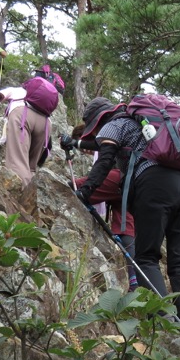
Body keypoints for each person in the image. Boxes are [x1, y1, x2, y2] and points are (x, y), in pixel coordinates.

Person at [63, 96, 180, 336]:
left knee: (146, 257)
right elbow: (103, 146)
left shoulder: (114, 124)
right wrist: (76, 143)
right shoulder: (143, 125)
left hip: (154, 185)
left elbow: (105, 160)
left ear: (99, 120)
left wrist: (85, 191)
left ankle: (164, 322)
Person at [63, 121, 138, 292]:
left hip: (120, 179)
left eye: (85, 145)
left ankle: (135, 279)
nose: (86, 151)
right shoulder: (115, 139)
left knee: (73, 187)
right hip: (128, 185)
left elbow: (95, 172)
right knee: (125, 228)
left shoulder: (106, 137)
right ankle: (134, 280)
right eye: (83, 151)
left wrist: (82, 189)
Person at [0, 77, 59, 186]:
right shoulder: (43, 108)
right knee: (30, 168)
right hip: (45, 124)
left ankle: (19, 194)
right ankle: (32, 192)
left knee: (18, 161)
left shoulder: (17, 90)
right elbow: (48, 146)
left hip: (22, 117)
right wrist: (39, 163)